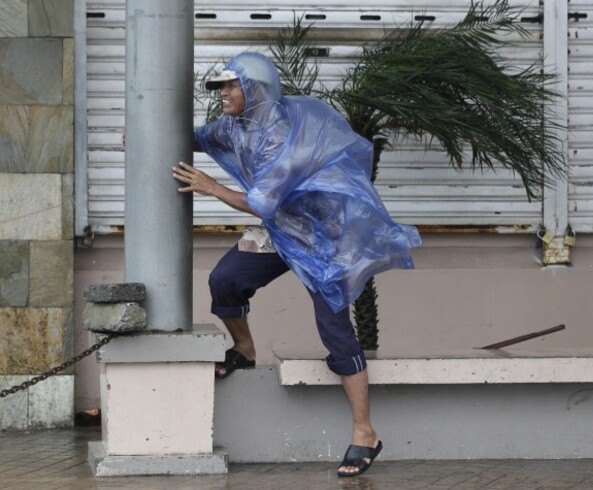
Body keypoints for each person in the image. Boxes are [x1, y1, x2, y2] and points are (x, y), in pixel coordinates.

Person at [172, 52, 421, 477]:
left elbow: (258, 201)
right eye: (220, 87)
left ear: (256, 89)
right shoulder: (236, 126)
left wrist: (211, 187)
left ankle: (365, 433)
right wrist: (142, 134)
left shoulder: (287, 136)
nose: (222, 94)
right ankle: (245, 350)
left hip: (324, 238)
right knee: (226, 281)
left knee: (335, 330)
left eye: (230, 86)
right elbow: (198, 137)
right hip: (280, 230)